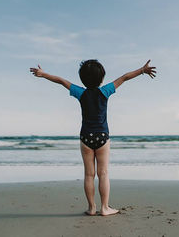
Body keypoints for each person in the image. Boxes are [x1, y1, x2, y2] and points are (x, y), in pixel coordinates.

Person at [30, 59, 156, 216]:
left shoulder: (80, 93)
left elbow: (62, 81)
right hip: (103, 136)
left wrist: (44, 74)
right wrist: (142, 70)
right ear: (101, 78)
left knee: (89, 174)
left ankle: (91, 208)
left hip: (86, 138)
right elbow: (124, 77)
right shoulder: (105, 91)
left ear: (82, 78)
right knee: (103, 173)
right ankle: (104, 208)